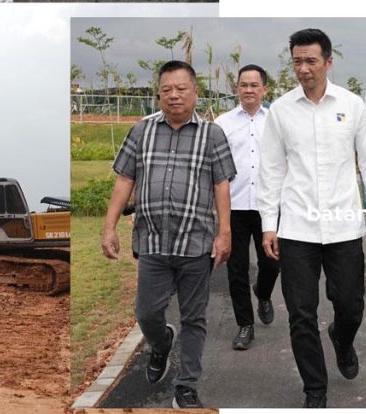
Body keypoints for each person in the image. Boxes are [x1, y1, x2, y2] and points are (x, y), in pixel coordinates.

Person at [257, 28, 366, 408]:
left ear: (328, 62)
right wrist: (270, 224)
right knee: (300, 314)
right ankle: (314, 390)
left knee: (350, 306)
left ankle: (342, 338)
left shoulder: (351, 105)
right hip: (297, 228)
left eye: (311, 60)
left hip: (344, 226)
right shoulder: (281, 110)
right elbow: (270, 171)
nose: (303, 68)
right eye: (297, 61)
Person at [101, 60, 236, 409]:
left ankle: (186, 386)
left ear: (195, 92)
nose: (174, 96)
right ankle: (161, 343)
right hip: (153, 242)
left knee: (194, 318)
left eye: (181, 89)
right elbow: (124, 180)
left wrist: (225, 232)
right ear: (158, 94)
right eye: (166, 90)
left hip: (196, 243)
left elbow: (221, 185)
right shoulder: (141, 132)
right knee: (147, 313)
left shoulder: (212, 135)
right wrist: (109, 226)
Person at [214, 64, 280, 351]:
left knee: (272, 262)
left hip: (270, 206)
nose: (249, 90)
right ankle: (245, 324)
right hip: (235, 206)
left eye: (255, 85)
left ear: (265, 89)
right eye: (244, 85)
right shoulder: (223, 123)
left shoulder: (277, 121)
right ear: (236, 88)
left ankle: (263, 293)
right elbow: (214, 166)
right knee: (237, 269)